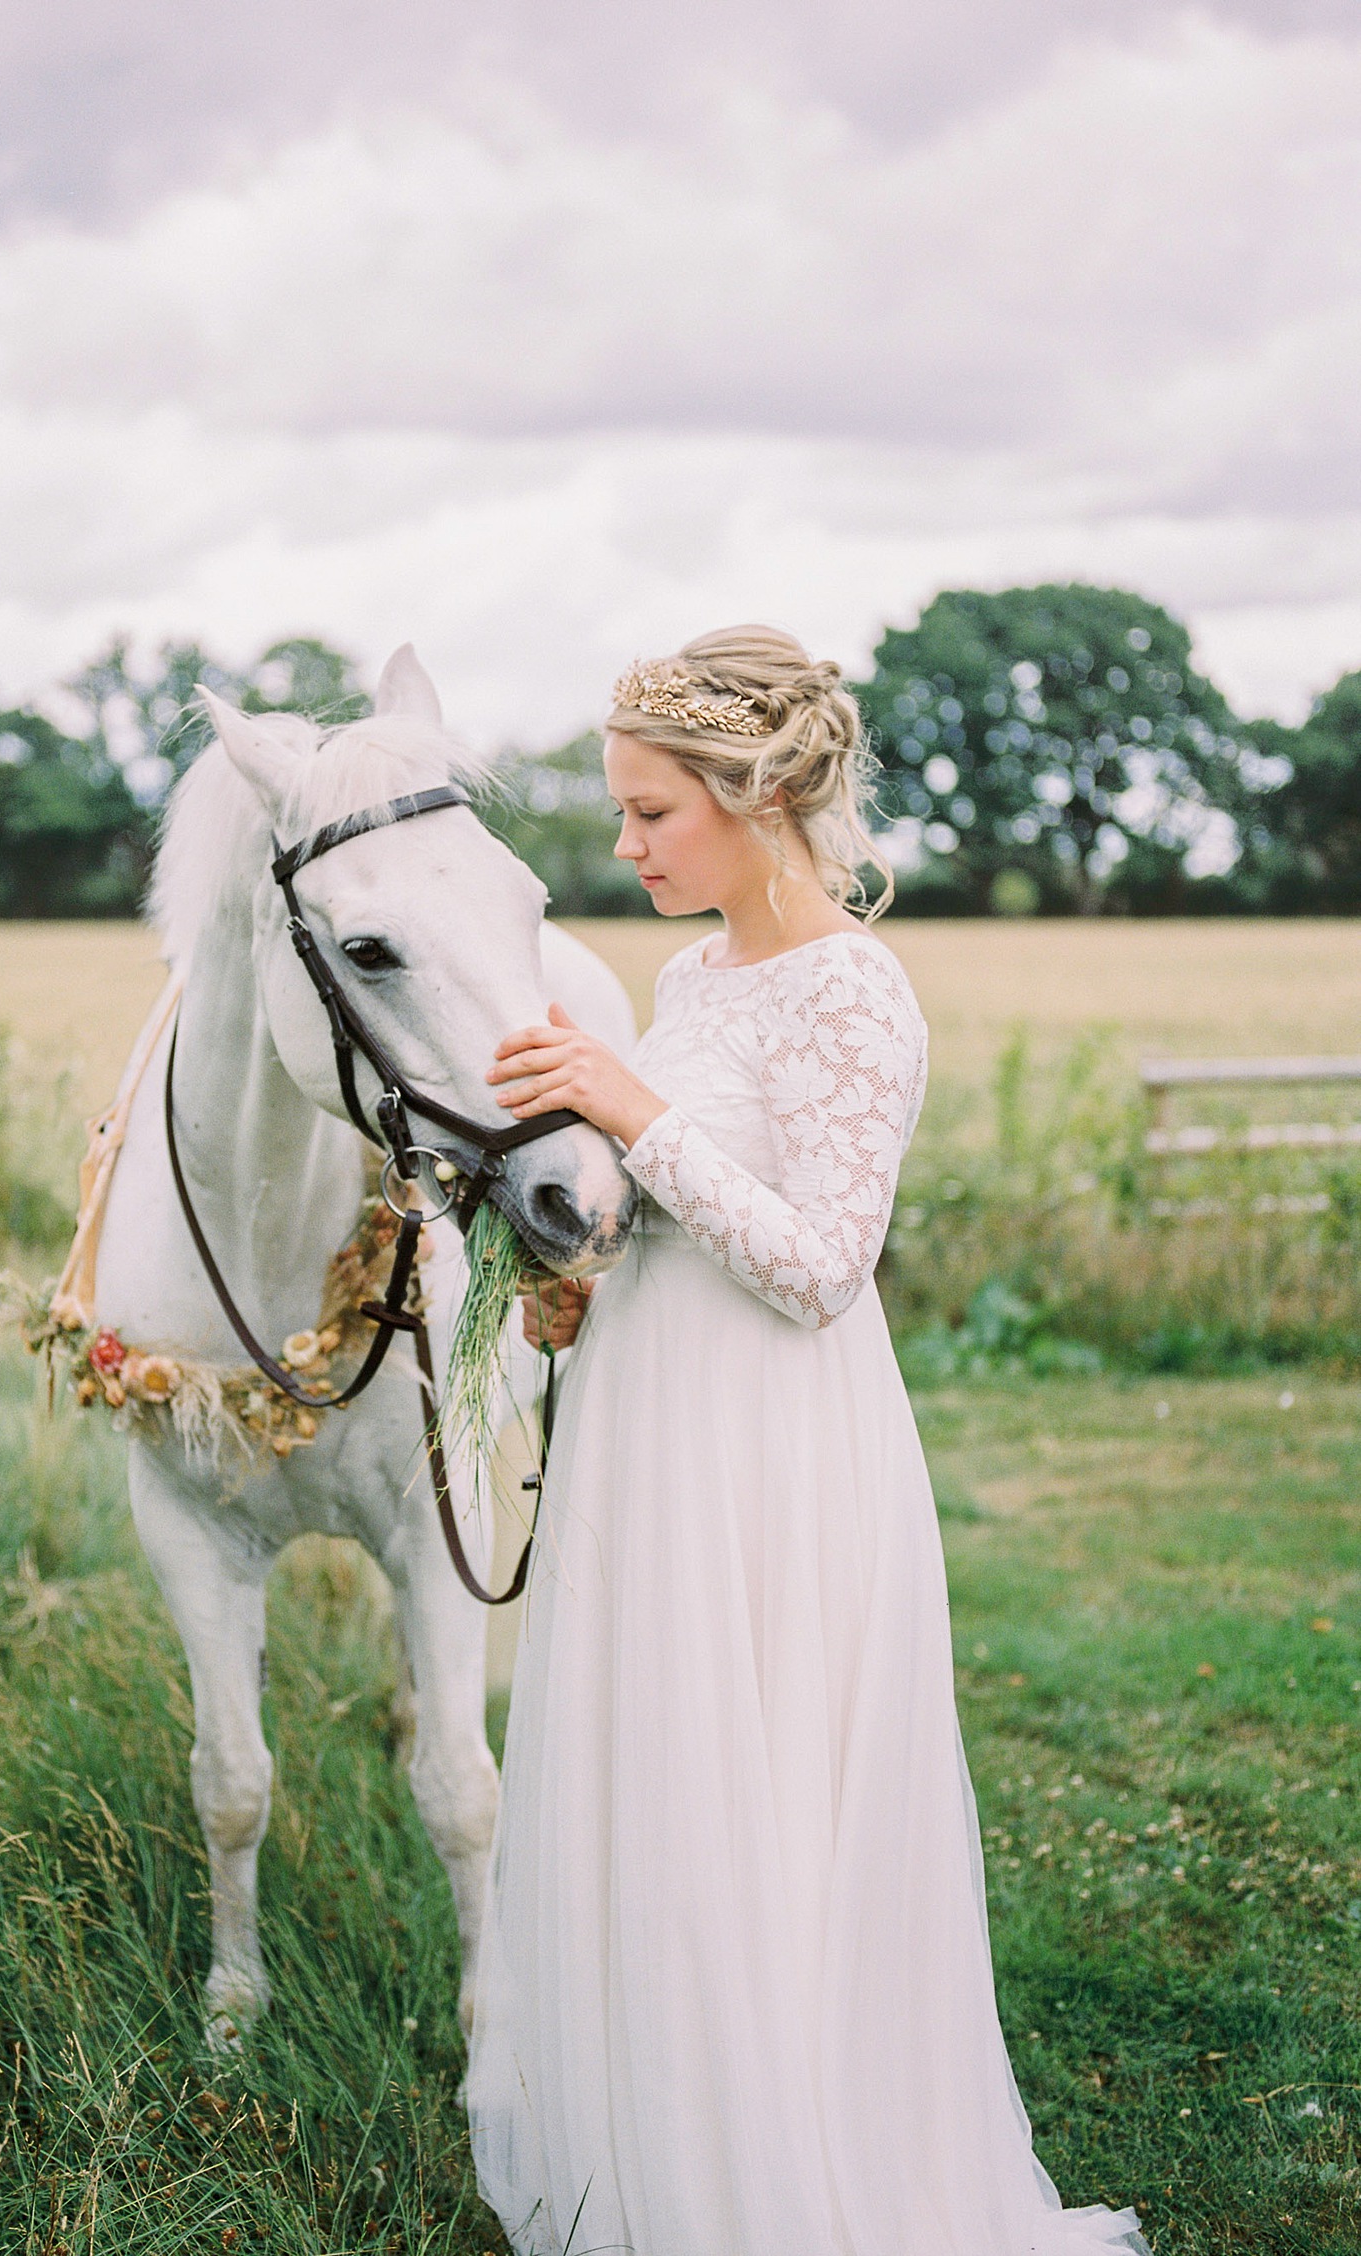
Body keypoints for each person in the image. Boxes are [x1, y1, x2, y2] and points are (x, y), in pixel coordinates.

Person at [466, 626, 1150, 2256]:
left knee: (763, 1799)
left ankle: (786, 2176)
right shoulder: (694, 979)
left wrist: (633, 1112)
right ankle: (659, 2147)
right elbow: (693, 1210)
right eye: (621, 814)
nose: (622, 846)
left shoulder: (853, 989)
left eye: (650, 813)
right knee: (662, 1794)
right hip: (651, 1436)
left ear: (758, 797)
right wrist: (579, 1280)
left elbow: (820, 1265)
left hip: (771, 1463)